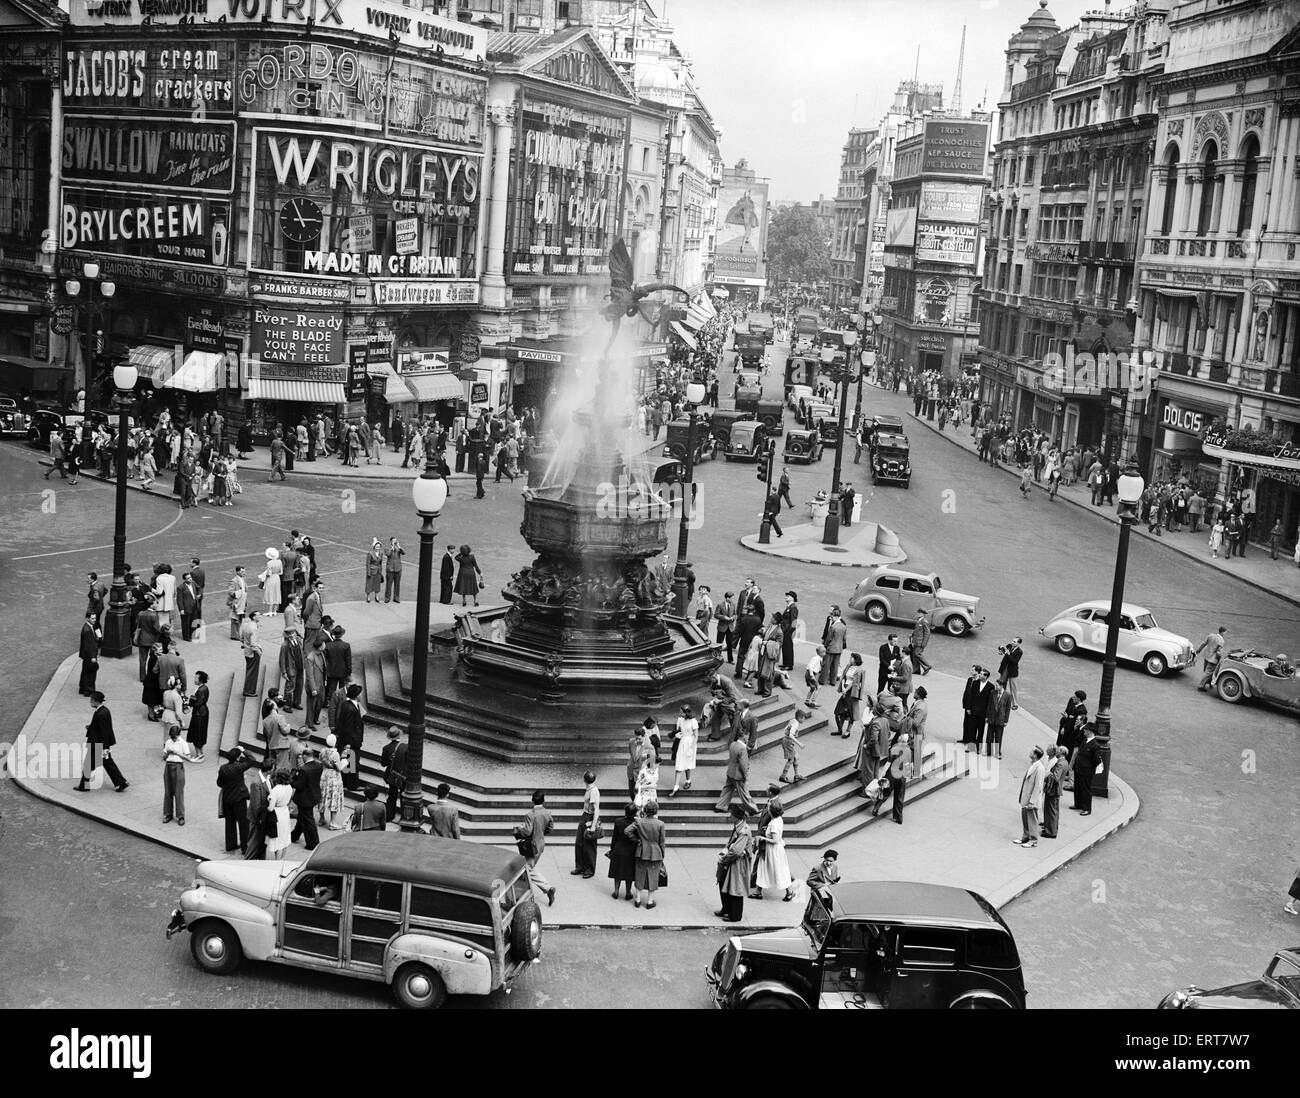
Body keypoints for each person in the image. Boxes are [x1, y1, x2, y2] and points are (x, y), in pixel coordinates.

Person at [74, 691, 128, 793]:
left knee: (89, 765)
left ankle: (84, 786)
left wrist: (104, 748)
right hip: (100, 744)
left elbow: (104, 732)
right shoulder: (104, 711)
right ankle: (121, 782)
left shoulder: (101, 714)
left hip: (98, 744)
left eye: (91, 700)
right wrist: (91, 727)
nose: (90, 702)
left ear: (96, 701)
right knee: (107, 764)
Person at [514, 790, 556, 907]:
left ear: (532, 800)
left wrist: (519, 828)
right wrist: (541, 834)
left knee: (527, 869)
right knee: (529, 868)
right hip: (541, 844)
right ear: (543, 800)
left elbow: (527, 831)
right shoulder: (547, 813)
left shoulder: (530, 815)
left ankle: (548, 888)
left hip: (531, 847)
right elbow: (550, 828)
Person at [716, 805, 754, 923]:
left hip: (738, 863)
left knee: (735, 888)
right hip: (732, 861)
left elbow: (736, 851)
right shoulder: (738, 826)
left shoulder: (744, 831)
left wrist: (725, 859)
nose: (730, 816)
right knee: (724, 884)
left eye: (731, 814)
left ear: (737, 817)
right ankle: (726, 909)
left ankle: (735, 915)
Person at [626, 802, 666, 909]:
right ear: (656, 811)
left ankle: (638, 899)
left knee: (639, 874)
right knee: (653, 876)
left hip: (641, 851)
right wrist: (662, 853)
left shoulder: (639, 822)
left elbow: (627, 831)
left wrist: (637, 840)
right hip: (655, 852)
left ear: (645, 811)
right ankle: (649, 901)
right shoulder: (660, 824)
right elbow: (662, 841)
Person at [755, 802, 796, 901]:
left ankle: (789, 892)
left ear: (771, 811)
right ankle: (758, 892)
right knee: (765, 869)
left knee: (778, 870)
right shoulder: (778, 819)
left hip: (773, 851)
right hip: (773, 850)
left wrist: (762, 838)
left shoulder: (774, 824)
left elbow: (775, 840)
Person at [217, 748, 253, 853]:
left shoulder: (223, 768)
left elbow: (219, 783)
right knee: (243, 824)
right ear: (237, 758)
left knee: (230, 822)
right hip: (239, 799)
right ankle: (245, 847)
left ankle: (230, 845)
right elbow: (251, 759)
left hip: (227, 798)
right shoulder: (238, 767)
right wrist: (244, 750)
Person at [290, 749, 323, 850]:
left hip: (305, 798)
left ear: (305, 756)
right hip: (314, 795)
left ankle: (313, 842)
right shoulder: (318, 765)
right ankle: (294, 835)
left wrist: (291, 780)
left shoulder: (303, 769)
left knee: (308, 820)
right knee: (302, 818)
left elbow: (299, 786)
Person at [335, 683, 365, 792]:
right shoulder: (351, 709)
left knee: (348, 762)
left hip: (349, 740)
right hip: (351, 741)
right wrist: (351, 742)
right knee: (353, 762)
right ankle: (352, 785)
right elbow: (348, 727)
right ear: (356, 695)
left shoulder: (347, 704)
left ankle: (346, 782)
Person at [714, 737, 756, 814]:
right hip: (738, 775)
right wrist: (745, 775)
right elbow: (743, 764)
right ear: (743, 738)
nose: (748, 739)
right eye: (747, 738)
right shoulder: (743, 749)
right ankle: (753, 809)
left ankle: (720, 806)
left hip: (730, 772)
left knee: (727, 789)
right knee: (744, 793)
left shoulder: (732, 744)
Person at [1015, 746, 1046, 847]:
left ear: (1036, 755)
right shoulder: (1033, 765)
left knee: (1032, 819)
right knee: (1025, 817)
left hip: (1031, 799)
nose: (1030, 752)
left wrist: (1032, 801)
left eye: (1032, 751)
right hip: (1026, 797)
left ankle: (1033, 840)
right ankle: (1026, 836)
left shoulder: (1040, 768)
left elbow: (1038, 786)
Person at [608, 803, 639, 901]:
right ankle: (628, 892)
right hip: (631, 850)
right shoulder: (636, 823)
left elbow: (614, 837)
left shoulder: (618, 821)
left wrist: (612, 849)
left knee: (617, 871)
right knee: (629, 873)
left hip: (618, 848)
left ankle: (616, 891)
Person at [318, 734, 347, 830]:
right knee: (333, 797)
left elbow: (321, 760)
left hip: (324, 774)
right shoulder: (335, 754)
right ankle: (333, 822)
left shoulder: (322, 751)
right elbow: (338, 768)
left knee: (322, 796)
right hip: (334, 777)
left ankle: (321, 818)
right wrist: (344, 762)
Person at [1071, 724, 1101, 816]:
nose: (1084, 731)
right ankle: (1078, 804)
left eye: (1085, 730)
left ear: (1090, 731)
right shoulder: (1085, 741)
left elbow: (1097, 760)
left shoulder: (1095, 745)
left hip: (1086, 771)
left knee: (1085, 789)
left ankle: (1086, 808)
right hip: (1079, 768)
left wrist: (1089, 767)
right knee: (1078, 787)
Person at [1041, 746, 1069, 839]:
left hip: (1054, 790)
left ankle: (1051, 831)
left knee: (1051, 811)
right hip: (1055, 789)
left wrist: (1047, 773)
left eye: (1058, 750)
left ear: (1061, 752)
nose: (1056, 751)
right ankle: (1049, 828)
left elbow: (1056, 777)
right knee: (1051, 810)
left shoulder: (1060, 763)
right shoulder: (1063, 762)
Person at [265, 770, 295, 857]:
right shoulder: (289, 787)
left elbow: (270, 808)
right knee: (285, 836)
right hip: (285, 812)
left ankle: (277, 859)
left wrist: (265, 808)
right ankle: (283, 857)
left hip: (277, 814)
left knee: (277, 838)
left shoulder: (275, 790)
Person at [670, 704, 698, 795]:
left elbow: (696, 736)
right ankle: (676, 787)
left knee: (687, 764)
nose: (679, 713)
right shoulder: (680, 719)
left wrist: (691, 748)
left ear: (686, 713)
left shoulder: (693, 721)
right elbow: (679, 730)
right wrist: (677, 734)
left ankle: (688, 780)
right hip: (682, 742)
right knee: (679, 763)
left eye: (681, 712)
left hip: (690, 743)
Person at [381, 727, 407, 821]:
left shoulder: (386, 748)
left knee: (392, 795)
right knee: (404, 796)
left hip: (391, 776)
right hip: (403, 776)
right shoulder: (405, 747)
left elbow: (383, 764)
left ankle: (389, 815)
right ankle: (404, 817)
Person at [779, 707, 809, 783]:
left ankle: (796, 775)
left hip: (787, 741)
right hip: (787, 741)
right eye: (803, 718)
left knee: (796, 757)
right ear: (799, 718)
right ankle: (783, 776)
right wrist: (799, 744)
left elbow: (786, 729)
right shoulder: (796, 724)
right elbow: (791, 735)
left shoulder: (793, 720)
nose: (804, 720)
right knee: (791, 759)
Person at [186, 670, 210, 761]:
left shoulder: (200, 690)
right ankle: (200, 752)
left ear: (200, 679)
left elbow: (198, 703)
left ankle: (198, 754)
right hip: (204, 712)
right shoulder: (205, 688)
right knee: (201, 732)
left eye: (196, 678)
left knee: (196, 733)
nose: (194, 679)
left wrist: (190, 703)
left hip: (198, 714)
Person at [1194, 625, 1227, 691]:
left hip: (1206, 656)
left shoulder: (1211, 635)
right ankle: (1201, 686)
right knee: (1208, 672)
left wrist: (1198, 650)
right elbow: (1218, 652)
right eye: (1225, 633)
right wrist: (1219, 659)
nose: (1225, 634)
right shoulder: (1221, 641)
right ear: (1223, 632)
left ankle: (1209, 683)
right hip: (1213, 659)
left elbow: (1203, 643)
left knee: (1206, 670)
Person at [1057, 689, 1087, 754]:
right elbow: (1069, 715)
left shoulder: (1082, 710)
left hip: (1069, 734)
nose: (1073, 698)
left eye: (1075, 697)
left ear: (1078, 699)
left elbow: (1075, 724)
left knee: (1065, 750)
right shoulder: (1073, 703)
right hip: (1064, 729)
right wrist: (1066, 717)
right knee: (1059, 746)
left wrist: (1065, 727)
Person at [78, 612, 100, 696]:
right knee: (90, 674)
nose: (94, 620)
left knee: (85, 672)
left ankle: (83, 688)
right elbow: (88, 645)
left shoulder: (88, 627)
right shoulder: (87, 630)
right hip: (89, 656)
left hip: (86, 655)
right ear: (88, 619)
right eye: (92, 618)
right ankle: (89, 690)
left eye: (95, 618)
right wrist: (92, 657)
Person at [240, 611, 262, 697]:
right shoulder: (254, 628)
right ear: (253, 617)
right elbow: (253, 644)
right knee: (253, 673)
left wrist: (245, 644)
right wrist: (258, 651)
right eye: (258, 616)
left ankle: (248, 690)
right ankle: (249, 690)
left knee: (249, 671)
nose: (259, 617)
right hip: (253, 653)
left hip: (246, 651)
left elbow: (241, 638)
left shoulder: (246, 625)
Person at [998, 637, 1023, 709]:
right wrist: (1001, 651)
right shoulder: (1009, 646)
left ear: (1019, 643)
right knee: (1001, 683)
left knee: (1013, 687)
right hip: (1005, 668)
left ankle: (1015, 703)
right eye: (1012, 641)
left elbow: (1015, 662)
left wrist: (1008, 654)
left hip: (1012, 671)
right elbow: (1003, 652)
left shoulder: (1019, 652)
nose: (1012, 642)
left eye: (1014, 642)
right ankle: (1000, 698)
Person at [909, 610, 933, 675]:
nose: (918, 614)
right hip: (916, 641)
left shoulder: (924, 622)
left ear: (923, 614)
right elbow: (917, 631)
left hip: (920, 642)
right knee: (914, 655)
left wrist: (924, 643)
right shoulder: (919, 620)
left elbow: (927, 633)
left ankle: (927, 666)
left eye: (919, 613)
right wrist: (912, 634)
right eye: (918, 612)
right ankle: (916, 670)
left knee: (917, 654)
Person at [384, 537, 405, 603]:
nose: (395, 542)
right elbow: (388, 554)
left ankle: (396, 597)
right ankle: (387, 598)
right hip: (390, 569)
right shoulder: (387, 548)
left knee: (397, 584)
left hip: (398, 569)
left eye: (395, 541)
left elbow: (404, 553)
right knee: (388, 584)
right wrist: (392, 547)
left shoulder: (398, 548)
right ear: (390, 542)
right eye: (393, 541)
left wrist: (399, 546)